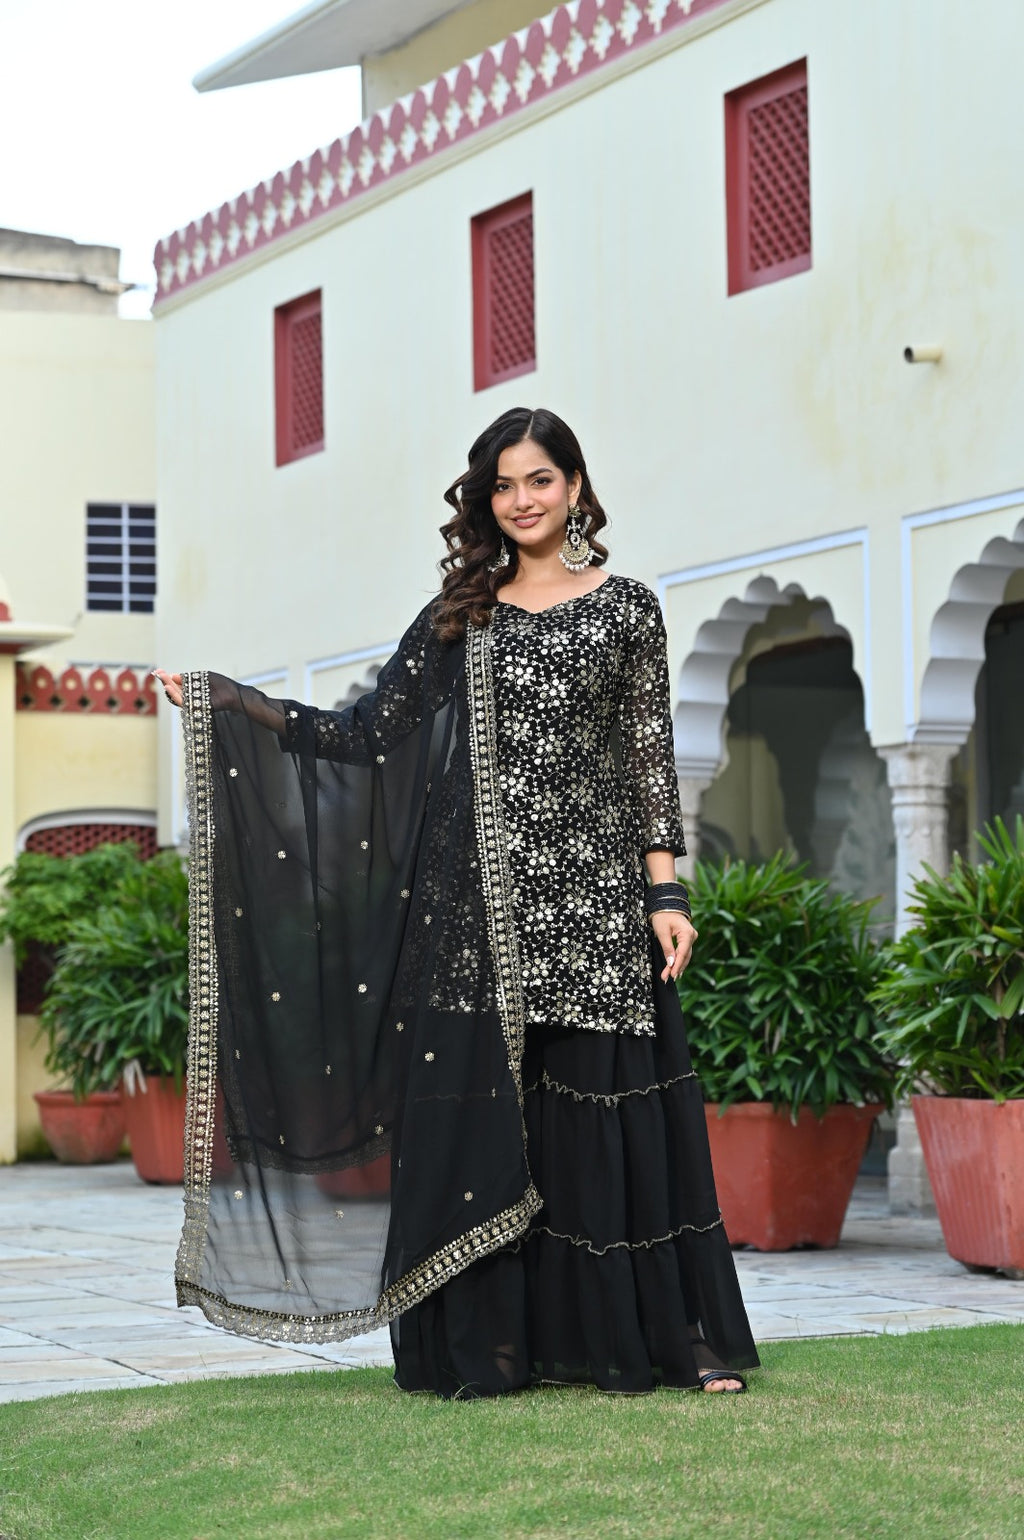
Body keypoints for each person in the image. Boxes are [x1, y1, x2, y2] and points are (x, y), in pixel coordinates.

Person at [156, 406, 758, 1399]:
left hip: (594, 909)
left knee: (603, 1128)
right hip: (475, 918)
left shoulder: (627, 609)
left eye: (540, 480)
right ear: (485, 501)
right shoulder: (459, 616)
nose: (523, 501)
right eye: (504, 485)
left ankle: (656, 1336)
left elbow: (648, 761)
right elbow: (363, 733)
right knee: (488, 1134)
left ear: (575, 486)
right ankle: (492, 1347)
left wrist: (665, 890)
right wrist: (234, 702)